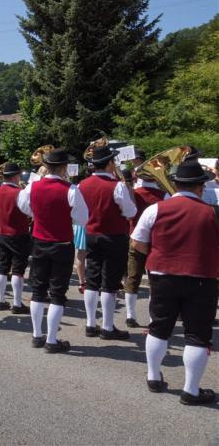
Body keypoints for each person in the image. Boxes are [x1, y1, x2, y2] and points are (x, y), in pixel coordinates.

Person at [131, 161, 218, 405]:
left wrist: (158, 255)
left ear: (175, 184)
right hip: (202, 278)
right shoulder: (213, 212)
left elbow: (137, 242)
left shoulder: (155, 209)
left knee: (159, 327)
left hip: (162, 276)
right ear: (201, 187)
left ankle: (153, 377)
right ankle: (191, 390)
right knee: (197, 335)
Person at [18, 148, 88, 352]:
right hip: (62, 244)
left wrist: (39, 214)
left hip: (39, 242)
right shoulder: (71, 190)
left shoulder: (32, 187)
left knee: (38, 290)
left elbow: (23, 206)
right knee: (57, 293)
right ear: (64, 168)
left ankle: (37, 335)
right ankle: (51, 339)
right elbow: (83, 219)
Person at [79, 143, 137, 339]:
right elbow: (131, 212)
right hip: (113, 237)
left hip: (91, 235)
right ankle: (107, 327)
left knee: (92, 280)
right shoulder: (117, 186)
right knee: (110, 283)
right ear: (110, 163)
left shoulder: (82, 184)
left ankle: (90, 324)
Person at [124, 169, 169, 328]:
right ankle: (152, 318)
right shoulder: (164, 195)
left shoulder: (134, 192)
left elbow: (128, 215)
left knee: (132, 276)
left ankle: (130, 315)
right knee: (154, 280)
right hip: (156, 242)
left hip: (135, 238)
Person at [0, 162, 31, 313]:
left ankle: (1, 300)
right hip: (18, 234)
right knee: (18, 270)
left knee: (2, 267)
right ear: (15, 176)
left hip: (2, 233)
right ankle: (16, 303)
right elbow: (29, 211)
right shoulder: (19, 192)